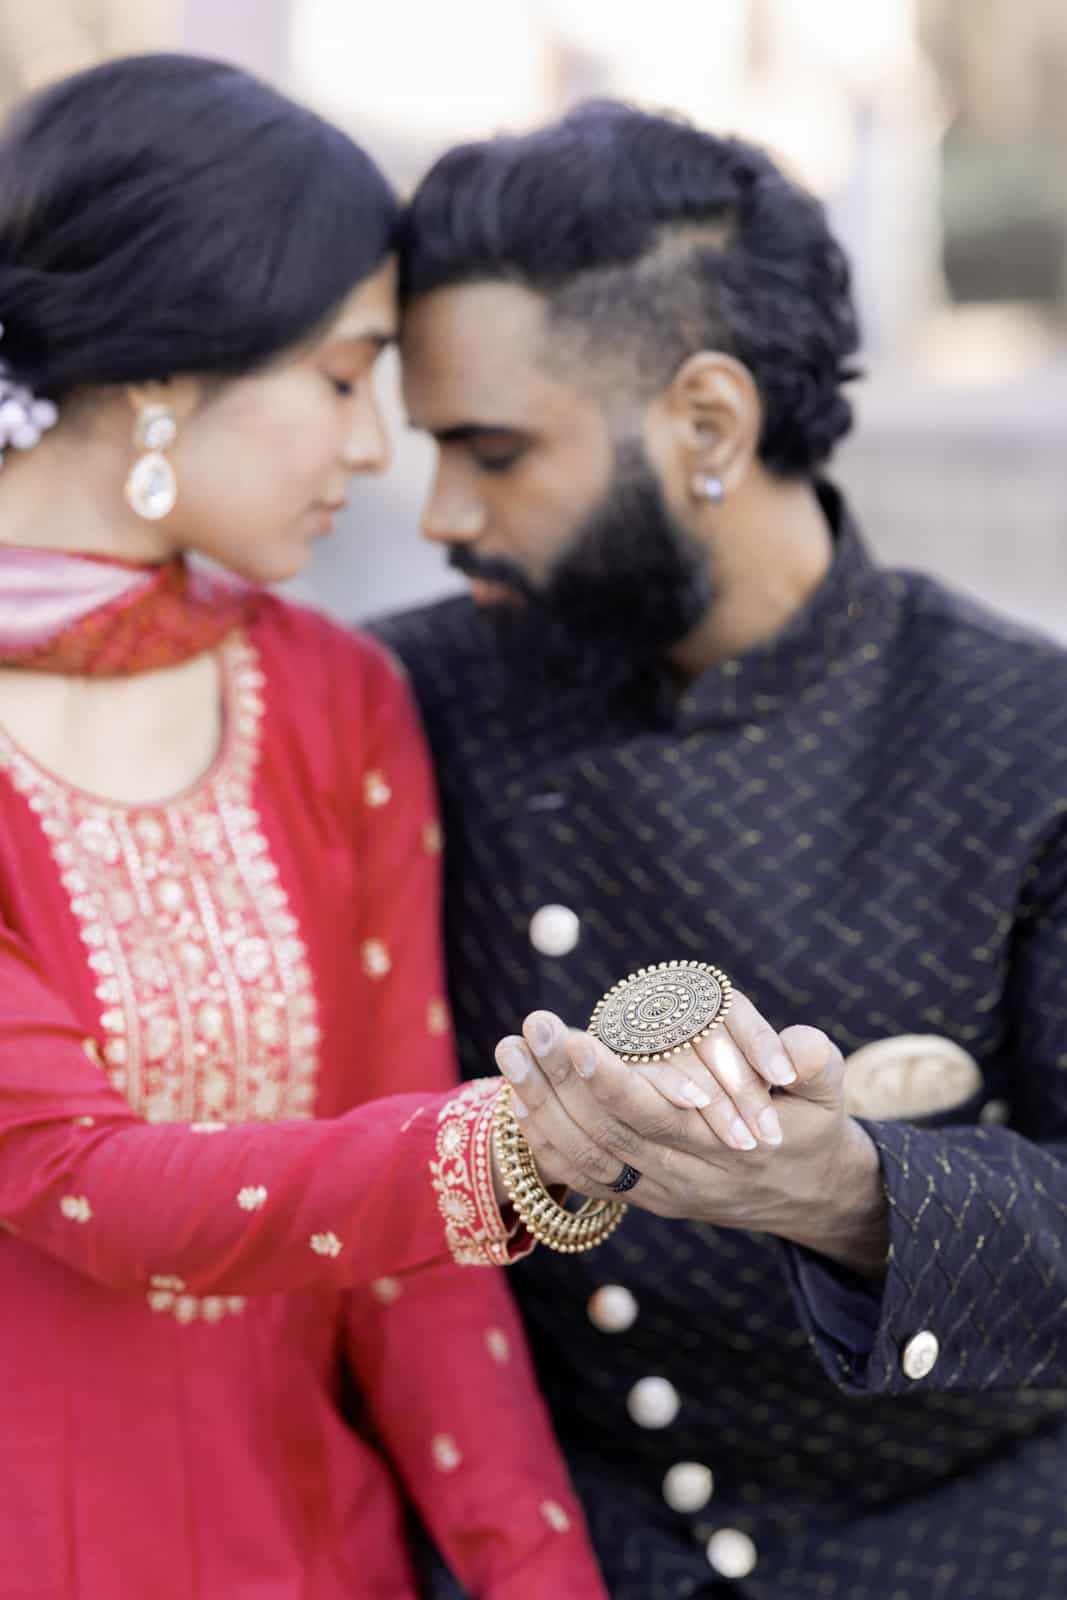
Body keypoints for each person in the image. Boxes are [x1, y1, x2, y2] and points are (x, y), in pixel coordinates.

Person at [377, 101, 1067, 1599]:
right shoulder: (389, 705)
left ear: (707, 422)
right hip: (536, 1562)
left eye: (492, 450)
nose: (438, 513)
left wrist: (848, 1190)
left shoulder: (1035, 741)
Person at [0, 55, 625, 1600]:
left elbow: (417, 1276)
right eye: (345, 379)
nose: (372, 452)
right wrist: (514, 1143)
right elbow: (78, 1175)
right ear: (164, 370)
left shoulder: (334, 697)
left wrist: (540, 1579)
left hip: (310, 1551)